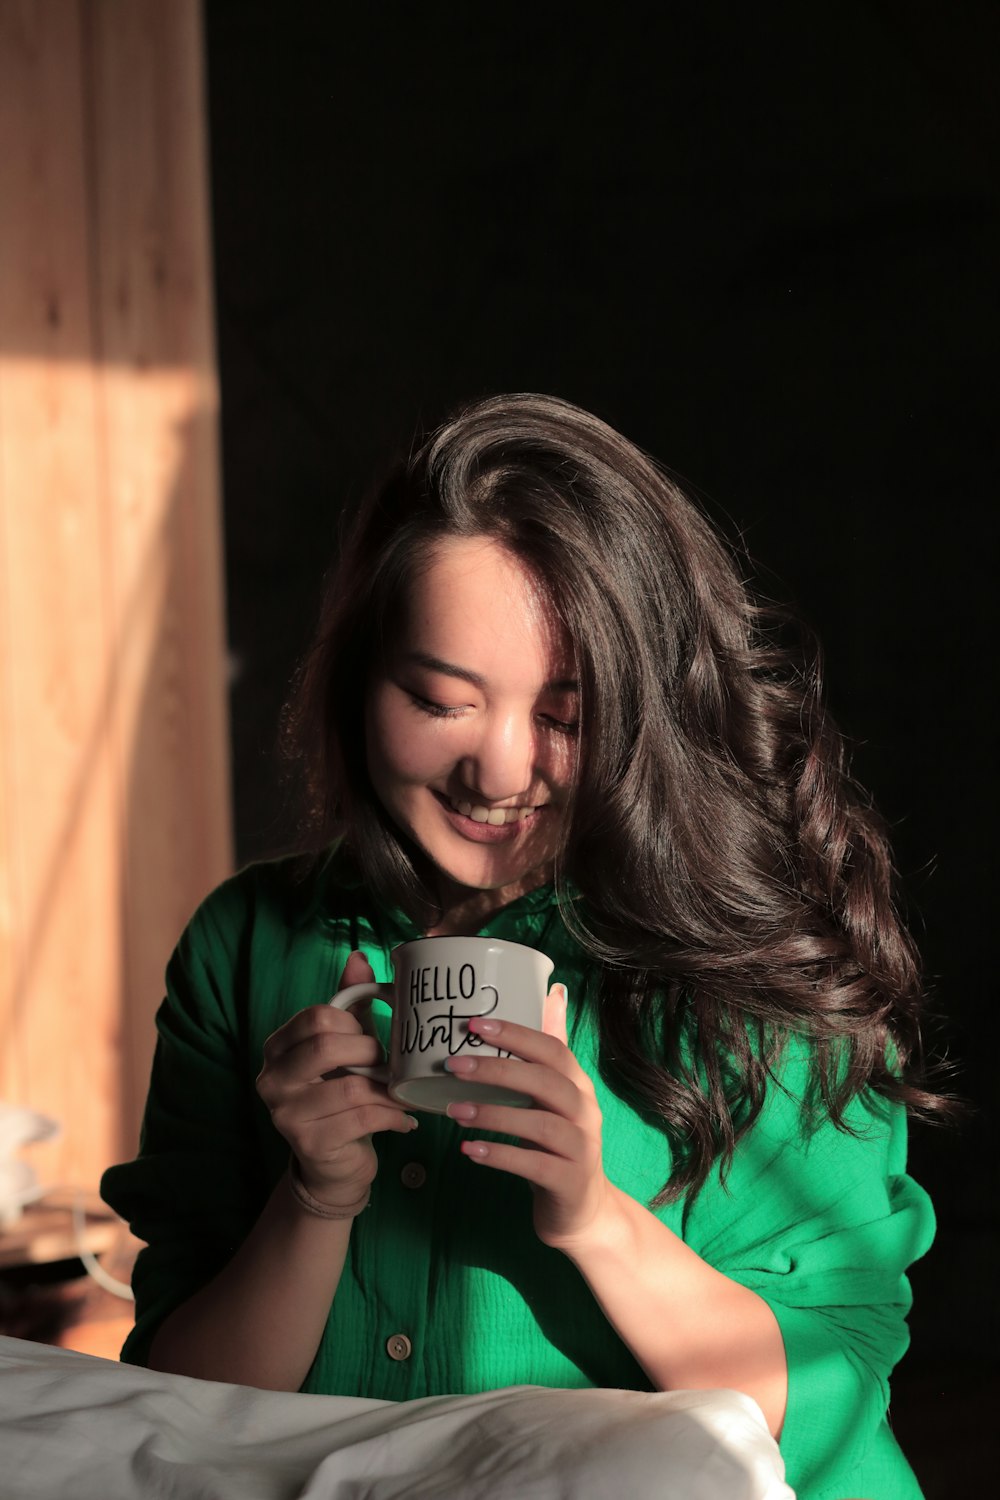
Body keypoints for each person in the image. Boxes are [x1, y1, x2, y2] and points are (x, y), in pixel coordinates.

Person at [102, 393, 943, 1500]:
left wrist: (594, 1218)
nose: (497, 772)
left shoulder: (754, 954)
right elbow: (185, 1397)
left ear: (650, 711)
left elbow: (827, 1396)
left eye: (565, 714)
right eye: (439, 699)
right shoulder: (246, 943)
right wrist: (314, 1200)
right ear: (362, 682)